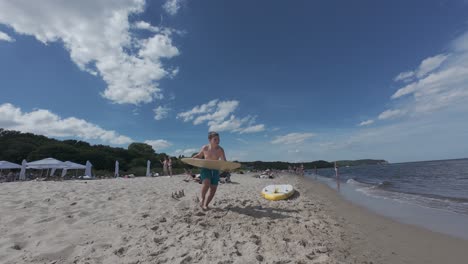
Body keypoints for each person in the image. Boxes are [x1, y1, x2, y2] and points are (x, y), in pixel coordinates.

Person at [192, 131, 226, 210]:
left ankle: (206, 205)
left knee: (213, 189)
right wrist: (193, 158)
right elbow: (199, 155)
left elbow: (224, 161)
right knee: (206, 183)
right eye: (215, 139)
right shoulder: (205, 148)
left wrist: (226, 167)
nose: (218, 141)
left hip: (215, 169)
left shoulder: (220, 150)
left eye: (218, 139)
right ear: (209, 140)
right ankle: (202, 199)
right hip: (205, 168)